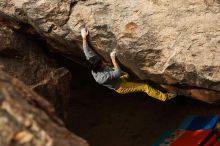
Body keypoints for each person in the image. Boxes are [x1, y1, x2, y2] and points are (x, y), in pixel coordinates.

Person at [81, 28, 176, 101]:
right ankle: (165, 97)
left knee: (132, 76)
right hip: (120, 86)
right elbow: (117, 73)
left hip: (120, 77)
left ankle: (141, 81)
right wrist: (113, 59)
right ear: (98, 67)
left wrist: (84, 37)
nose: (102, 62)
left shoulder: (92, 61)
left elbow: (86, 50)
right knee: (144, 87)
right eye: (101, 63)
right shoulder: (101, 78)